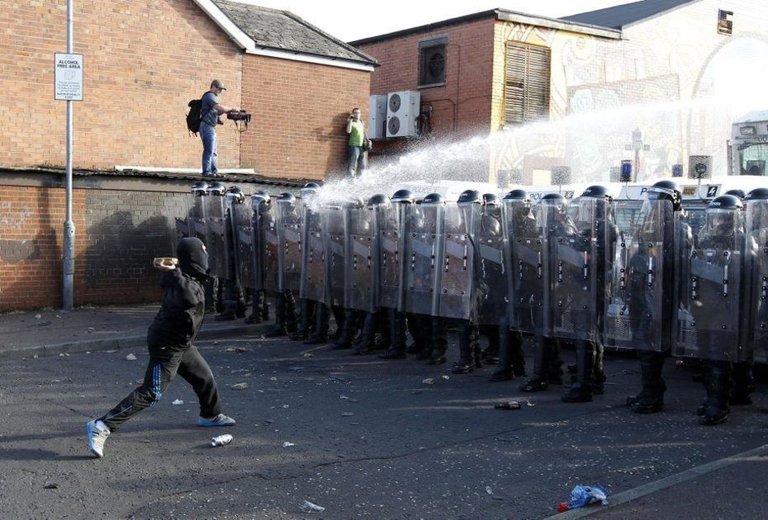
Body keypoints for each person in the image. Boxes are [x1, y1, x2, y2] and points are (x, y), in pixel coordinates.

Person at [86, 237, 235, 458]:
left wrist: (176, 268)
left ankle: (210, 415)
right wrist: (175, 271)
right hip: (166, 345)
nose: (205, 258)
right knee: (152, 392)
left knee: (204, 377)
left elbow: (185, 280)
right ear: (195, 258)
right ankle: (102, 425)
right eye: (201, 253)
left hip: (181, 343)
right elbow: (188, 296)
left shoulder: (184, 276)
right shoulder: (183, 283)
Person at [200, 79, 240, 178]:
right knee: (209, 150)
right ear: (213, 86)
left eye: (221, 90)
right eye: (219, 89)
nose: (220, 91)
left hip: (210, 127)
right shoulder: (209, 96)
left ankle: (214, 171)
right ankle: (207, 172)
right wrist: (231, 109)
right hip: (206, 126)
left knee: (213, 151)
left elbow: (218, 111)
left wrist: (227, 112)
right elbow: (220, 108)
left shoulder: (213, 97)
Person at [346, 107, 368, 178]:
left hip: (361, 146)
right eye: (355, 113)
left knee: (362, 165)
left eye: (358, 113)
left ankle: (361, 179)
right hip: (353, 146)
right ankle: (350, 179)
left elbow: (364, 133)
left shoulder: (361, 122)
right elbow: (348, 131)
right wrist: (350, 120)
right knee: (352, 164)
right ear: (353, 114)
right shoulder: (352, 122)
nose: (357, 114)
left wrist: (367, 140)